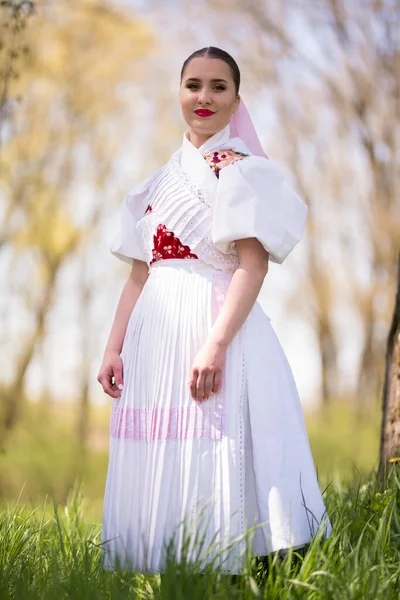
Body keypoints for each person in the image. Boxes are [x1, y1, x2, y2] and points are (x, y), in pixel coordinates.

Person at [97, 46, 331, 574]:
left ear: (235, 100)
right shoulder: (156, 184)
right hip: (155, 336)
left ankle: (229, 563)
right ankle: (161, 564)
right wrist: (113, 348)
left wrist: (216, 342)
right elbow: (139, 274)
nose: (204, 97)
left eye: (218, 87)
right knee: (167, 445)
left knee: (219, 444)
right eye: (193, 85)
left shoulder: (243, 172)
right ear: (179, 93)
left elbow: (253, 265)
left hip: (219, 328)